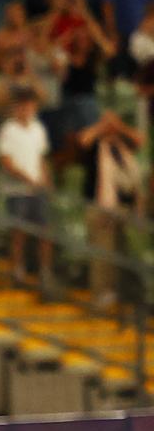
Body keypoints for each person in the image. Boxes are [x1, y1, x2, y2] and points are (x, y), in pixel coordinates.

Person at [76, 110, 144, 306]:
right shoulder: (96, 146)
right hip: (100, 208)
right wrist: (101, 127)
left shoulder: (122, 146)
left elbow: (139, 140)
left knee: (122, 254)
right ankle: (101, 296)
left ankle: (121, 296)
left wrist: (119, 127)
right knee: (103, 254)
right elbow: (82, 140)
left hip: (124, 208)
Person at [0, 86, 54, 284]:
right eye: (22, 105)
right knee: (18, 232)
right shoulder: (8, 130)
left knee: (44, 231)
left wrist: (46, 179)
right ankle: (17, 269)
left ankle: (44, 270)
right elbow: (6, 161)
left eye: (29, 105)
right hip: (17, 191)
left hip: (37, 189)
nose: (26, 109)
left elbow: (41, 158)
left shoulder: (38, 129)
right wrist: (27, 179)